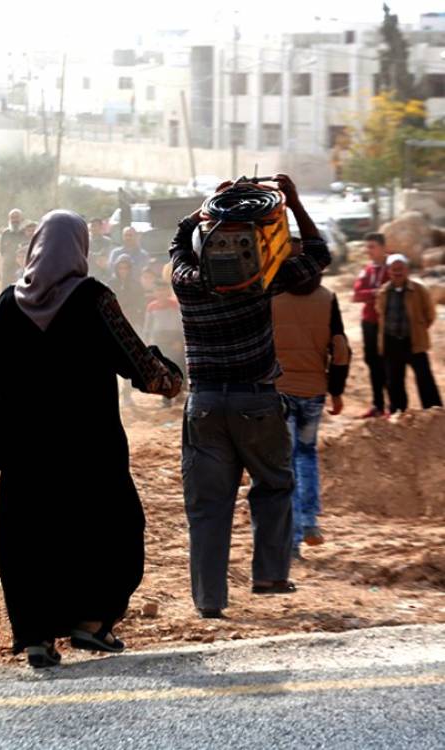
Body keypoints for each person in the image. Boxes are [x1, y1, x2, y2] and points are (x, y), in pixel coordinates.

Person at [0, 210, 182, 668]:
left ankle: (36, 638)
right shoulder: (95, 299)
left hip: (26, 449)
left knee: (30, 537)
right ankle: (90, 624)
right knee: (111, 529)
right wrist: (172, 378)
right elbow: (140, 365)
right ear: (80, 248)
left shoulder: (7, 303)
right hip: (91, 448)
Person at [171, 174, 330, 619]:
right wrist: (293, 203)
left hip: (203, 406)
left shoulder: (187, 284)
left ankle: (209, 600)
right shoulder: (264, 281)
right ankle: (269, 575)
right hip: (257, 402)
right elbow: (319, 254)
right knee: (274, 486)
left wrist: (209, 208)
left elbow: (178, 244)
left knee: (207, 507)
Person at [272, 256, 350, 559]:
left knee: (285, 462)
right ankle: (309, 522)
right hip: (314, 392)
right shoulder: (327, 299)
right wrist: (337, 390)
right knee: (306, 455)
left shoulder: (273, 300)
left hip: (279, 391)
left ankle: (290, 541)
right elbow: (340, 348)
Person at [375, 253, 442, 412]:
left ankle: (434, 411)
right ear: (389, 271)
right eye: (394, 269)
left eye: (401, 268)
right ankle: (398, 412)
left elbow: (430, 314)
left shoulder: (419, 289)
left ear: (407, 270)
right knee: (394, 381)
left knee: (424, 378)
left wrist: (418, 329)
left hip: (414, 341)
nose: (397, 272)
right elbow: (380, 312)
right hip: (391, 342)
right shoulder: (383, 291)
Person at [352, 233, 392, 417]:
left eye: (372, 247)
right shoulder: (368, 270)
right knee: (374, 363)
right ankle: (378, 405)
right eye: (367, 247)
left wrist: (373, 293)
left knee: (390, 364)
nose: (369, 251)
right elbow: (357, 294)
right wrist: (378, 292)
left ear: (383, 247)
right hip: (369, 322)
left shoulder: (394, 267)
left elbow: (395, 292)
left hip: (390, 324)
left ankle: (395, 405)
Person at [110, 255, 147, 408]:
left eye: (126, 268)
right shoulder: (111, 284)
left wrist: (137, 318)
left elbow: (141, 304)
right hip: (113, 326)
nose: (123, 271)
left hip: (131, 325)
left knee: (128, 358)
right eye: (120, 267)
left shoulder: (135, 285)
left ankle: (127, 393)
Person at [144, 281, 186, 407]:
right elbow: (148, 326)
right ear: (155, 292)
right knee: (163, 369)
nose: (161, 293)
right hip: (159, 339)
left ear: (168, 291)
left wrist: (179, 340)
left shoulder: (175, 305)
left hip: (174, 338)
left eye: (163, 290)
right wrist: (148, 340)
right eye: (158, 290)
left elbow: (181, 324)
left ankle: (179, 392)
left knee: (177, 366)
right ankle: (166, 399)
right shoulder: (151, 307)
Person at [0, 209, 24, 287]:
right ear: (9, 219)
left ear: (21, 218)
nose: (15, 220)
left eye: (17, 217)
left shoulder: (25, 232)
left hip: (22, 267)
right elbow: (2, 251)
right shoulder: (5, 234)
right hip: (8, 269)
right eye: (12, 218)